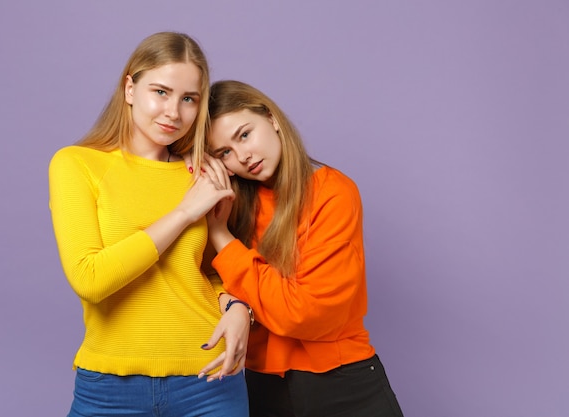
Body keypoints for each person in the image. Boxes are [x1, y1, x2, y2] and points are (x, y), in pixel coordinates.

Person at [48, 33, 251, 417]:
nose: (173, 111)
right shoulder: (77, 164)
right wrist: (183, 214)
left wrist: (239, 307)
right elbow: (90, 279)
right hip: (109, 388)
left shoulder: (204, 175)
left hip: (209, 380)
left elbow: (211, 271)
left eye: (188, 99)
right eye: (161, 91)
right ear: (130, 88)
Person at [199, 80, 405, 417]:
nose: (243, 157)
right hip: (261, 385)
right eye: (225, 153)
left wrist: (222, 237)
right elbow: (203, 282)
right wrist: (237, 304)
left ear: (272, 118)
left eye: (244, 135)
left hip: (342, 383)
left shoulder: (332, 193)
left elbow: (303, 314)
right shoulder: (231, 204)